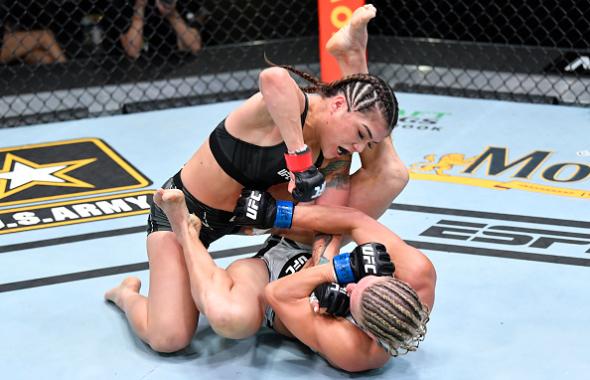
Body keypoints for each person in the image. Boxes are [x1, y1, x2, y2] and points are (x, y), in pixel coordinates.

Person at [105, 4, 407, 353]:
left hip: (258, 218)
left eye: (368, 143)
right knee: (169, 338)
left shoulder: (337, 148)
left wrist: (322, 275)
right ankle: (125, 295)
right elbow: (273, 78)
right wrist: (299, 160)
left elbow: (332, 221)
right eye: (360, 134)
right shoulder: (290, 109)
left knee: (391, 174)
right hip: (187, 214)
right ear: (337, 106)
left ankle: (352, 58)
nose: (359, 147)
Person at [152, 187, 435, 372]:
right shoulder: (416, 271)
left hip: (272, 285)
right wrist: (279, 214)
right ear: (396, 282)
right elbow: (355, 221)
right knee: (391, 175)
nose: (350, 286)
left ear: (368, 331)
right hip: (309, 246)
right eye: (361, 280)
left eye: (353, 295)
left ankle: (185, 233)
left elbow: (277, 293)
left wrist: (336, 272)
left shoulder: (356, 352)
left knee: (230, 318)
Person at [103, 0, 202, 59]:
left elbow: (195, 46)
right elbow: (133, 51)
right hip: (127, 76)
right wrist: (139, 9)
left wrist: (172, 14)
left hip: (169, 69)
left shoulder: (170, 2)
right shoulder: (120, 4)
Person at [0, 17, 66, 64]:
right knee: (45, 36)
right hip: (3, 44)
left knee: (46, 59)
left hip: (18, 48)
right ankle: (66, 69)